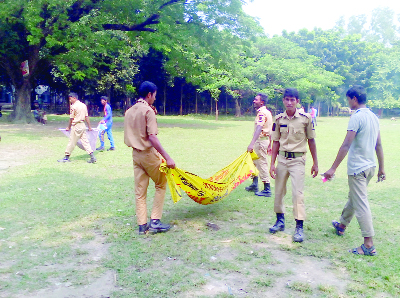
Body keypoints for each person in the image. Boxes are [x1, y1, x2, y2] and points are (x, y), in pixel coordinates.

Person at [323, 85, 385, 256]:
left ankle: (368, 244)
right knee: (354, 197)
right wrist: (381, 168)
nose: (348, 102)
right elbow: (378, 145)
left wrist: (332, 168)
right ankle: (342, 225)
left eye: (348, 99)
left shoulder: (356, 117)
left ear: (354, 99)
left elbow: (346, 144)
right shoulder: (374, 117)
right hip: (370, 167)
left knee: (361, 204)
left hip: (358, 168)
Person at [124, 81, 176, 235]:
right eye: (154, 95)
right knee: (161, 183)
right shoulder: (148, 111)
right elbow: (152, 137)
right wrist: (168, 157)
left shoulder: (129, 111)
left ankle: (142, 225)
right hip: (147, 154)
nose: (154, 98)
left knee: (140, 191)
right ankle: (155, 221)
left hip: (135, 155)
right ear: (149, 94)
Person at [269, 88, 318, 242]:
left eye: (292, 99)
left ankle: (299, 227)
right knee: (278, 192)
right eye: (286, 99)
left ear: (297, 101)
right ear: (283, 100)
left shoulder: (306, 118)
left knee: (297, 193)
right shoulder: (278, 119)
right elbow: (275, 142)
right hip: (282, 159)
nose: (289, 102)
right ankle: (280, 221)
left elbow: (311, 140)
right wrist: (272, 163)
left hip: (298, 160)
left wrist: (316, 163)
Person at [245, 93, 273, 197]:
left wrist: (251, 143)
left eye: (256, 100)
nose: (254, 101)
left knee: (261, 163)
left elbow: (259, 128)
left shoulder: (262, 113)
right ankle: (254, 184)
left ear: (262, 102)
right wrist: (270, 143)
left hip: (260, 141)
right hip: (264, 140)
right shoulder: (268, 112)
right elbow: (271, 129)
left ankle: (267, 188)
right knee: (255, 162)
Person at [58, 92, 96, 163]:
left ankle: (66, 157)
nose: (70, 101)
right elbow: (86, 117)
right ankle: (92, 156)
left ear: (74, 98)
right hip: (83, 125)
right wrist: (89, 126)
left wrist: (68, 127)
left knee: (72, 142)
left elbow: (71, 118)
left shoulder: (73, 106)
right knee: (85, 142)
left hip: (76, 126)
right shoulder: (83, 105)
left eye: (70, 99)